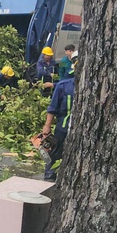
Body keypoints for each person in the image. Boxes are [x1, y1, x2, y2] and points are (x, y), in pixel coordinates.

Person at [41, 51, 77, 181]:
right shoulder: (64, 86)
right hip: (63, 128)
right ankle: (49, 178)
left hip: (80, 131)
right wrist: (47, 127)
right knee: (54, 154)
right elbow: (52, 108)